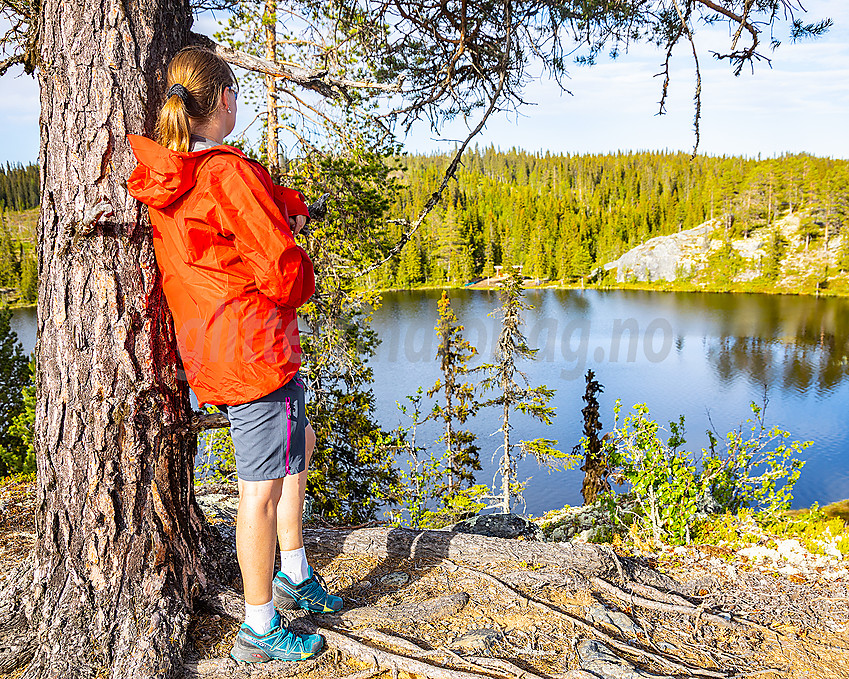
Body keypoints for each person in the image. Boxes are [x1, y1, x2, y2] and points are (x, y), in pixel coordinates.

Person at [127, 46, 342, 664]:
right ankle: (259, 625)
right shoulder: (225, 173)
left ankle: (294, 571)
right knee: (260, 491)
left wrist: (293, 206)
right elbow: (277, 265)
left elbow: (248, 210)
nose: (240, 104)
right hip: (254, 350)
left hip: (222, 350)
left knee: (286, 458)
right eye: (236, 95)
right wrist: (303, 272)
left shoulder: (176, 173)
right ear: (221, 100)